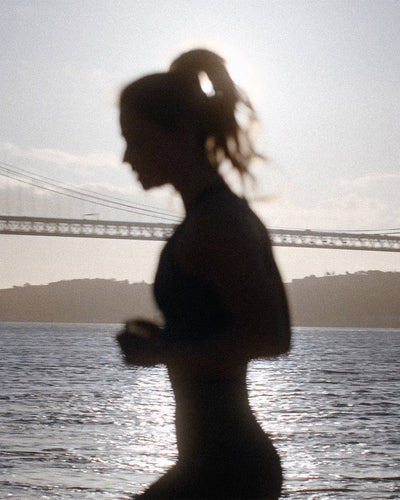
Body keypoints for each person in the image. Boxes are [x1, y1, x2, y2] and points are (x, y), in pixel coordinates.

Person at [117, 48, 291, 499]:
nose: (125, 156)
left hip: (227, 472)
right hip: (212, 465)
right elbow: (230, 329)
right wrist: (167, 340)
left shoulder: (219, 223)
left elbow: (271, 336)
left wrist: (161, 353)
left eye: (134, 138)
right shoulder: (211, 218)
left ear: (179, 132)